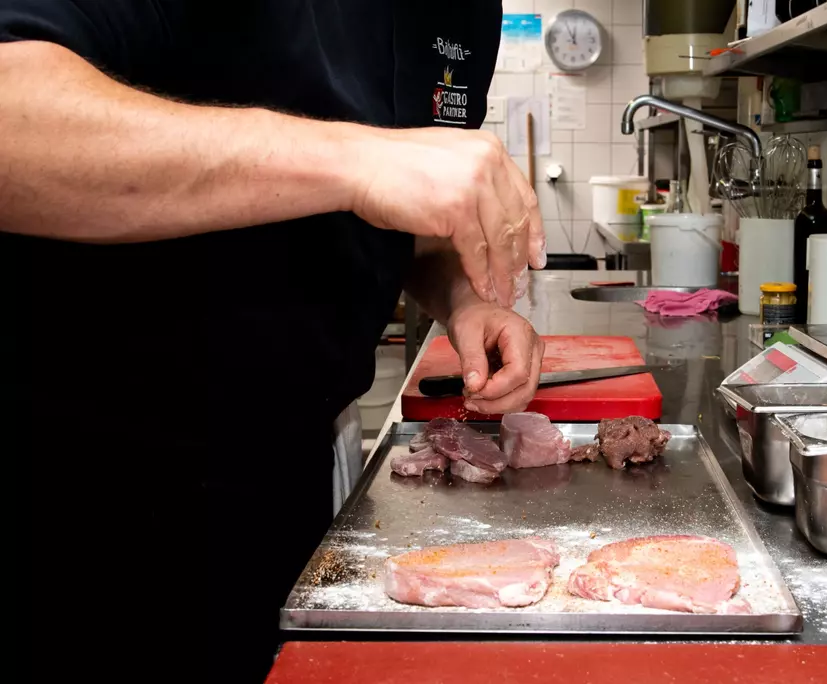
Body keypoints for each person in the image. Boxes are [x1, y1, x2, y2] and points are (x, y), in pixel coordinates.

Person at [1, 1, 545, 681]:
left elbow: (402, 210)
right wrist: (356, 159)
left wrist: (464, 298)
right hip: (82, 480)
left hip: (288, 467)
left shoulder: (463, 12)